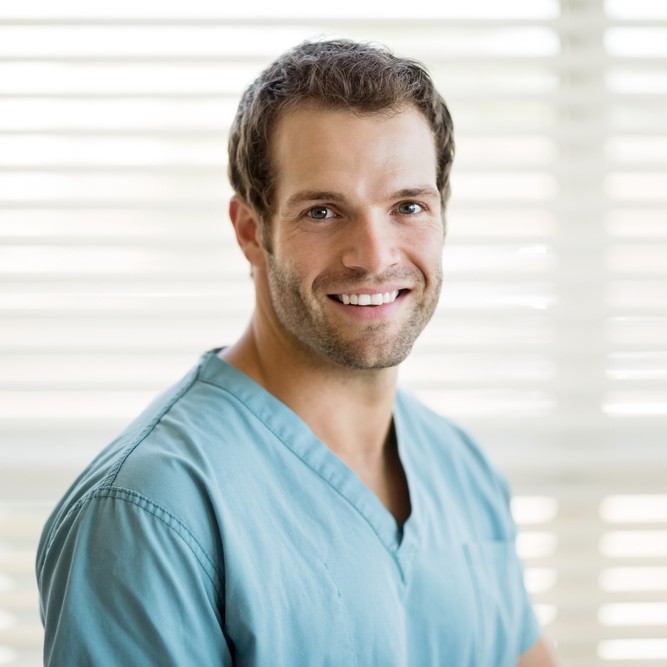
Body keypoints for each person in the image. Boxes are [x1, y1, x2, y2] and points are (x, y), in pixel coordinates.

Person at [36, 39, 557, 666]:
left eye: (408, 207)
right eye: (323, 211)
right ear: (251, 231)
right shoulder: (148, 512)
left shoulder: (463, 470)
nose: (374, 254)